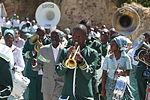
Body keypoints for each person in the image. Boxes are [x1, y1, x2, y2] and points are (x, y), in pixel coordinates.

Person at [56, 24, 99, 100]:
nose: (76, 39)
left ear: (86, 36)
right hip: (67, 96)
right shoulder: (65, 51)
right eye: (74, 36)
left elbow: (89, 75)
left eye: (79, 37)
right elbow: (59, 72)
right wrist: (66, 58)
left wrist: (82, 61)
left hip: (84, 96)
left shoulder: (92, 53)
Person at [101, 36, 134, 100]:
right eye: (110, 44)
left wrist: (121, 72)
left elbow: (129, 72)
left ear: (119, 45)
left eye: (113, 44)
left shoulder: (126, 58)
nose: (111, 46)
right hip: (110, 84)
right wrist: (103, 89)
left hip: (122, 84)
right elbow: (104, 73)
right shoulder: (107, 58)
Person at [34, 30, 64, 100]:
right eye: (52, 37)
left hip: (60, 85)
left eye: (56, 37)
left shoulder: (64, 50)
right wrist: (34, 65)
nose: (54, 39)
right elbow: (39, 65)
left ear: (61, 38)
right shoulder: (43, 50)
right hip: (47, 85)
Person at [23, 27, 50, 100]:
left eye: (42, 35)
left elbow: (49, 59)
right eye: (38, 35)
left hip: (43, 73)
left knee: (41, 95)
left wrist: (40, 56)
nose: (40, 37)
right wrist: (33, 53)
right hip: (31, 72)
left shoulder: (48, 42)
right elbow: (24, 54)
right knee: (31, 94)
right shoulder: (30, 40)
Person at [3, 29, 26, 100]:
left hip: (14, 78)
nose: (8, 40)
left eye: (10, 38)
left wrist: (15, 68)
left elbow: (22, 66)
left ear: (13, 39)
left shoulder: (17, 50)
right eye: (6, 38)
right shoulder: (2, 50)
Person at [134, 32, 150, 100]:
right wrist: (142, 56)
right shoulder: (141, 46)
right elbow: (135, 57)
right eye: (144, 38)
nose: (145, 39)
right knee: (141, 93)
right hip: (141, 72)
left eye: (146, 38)